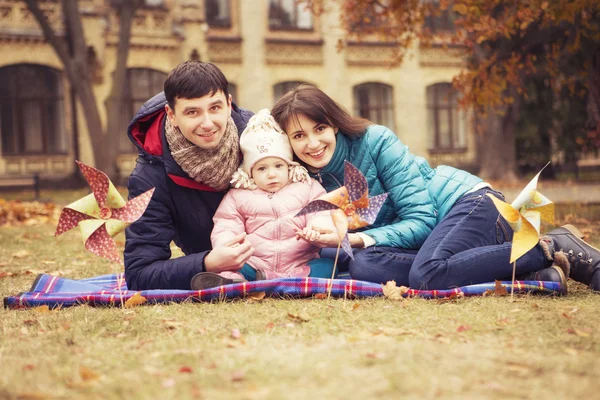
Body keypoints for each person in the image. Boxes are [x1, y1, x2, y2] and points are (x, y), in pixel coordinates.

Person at [271, 84, 600, 292]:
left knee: (425, 275)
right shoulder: (307, 180)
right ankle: (531, 272)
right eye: (299, 136)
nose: (313, 143)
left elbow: (421, 220)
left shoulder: (375, 141)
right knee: (363, 265)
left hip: (469, 205)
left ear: (334, 124)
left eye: (320, 128)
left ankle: (544, 244)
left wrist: (354, 238)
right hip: (432, 240)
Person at [124, 61, 255, 290]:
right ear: (171, 115)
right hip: (222, 268)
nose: (207, 123)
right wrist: (207, 262)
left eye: (215, 108)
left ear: (229, 104)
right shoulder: (149, 178)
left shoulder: (259, 137)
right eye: (192, 112)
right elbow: (139, 273)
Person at [190, 109, 335, 289]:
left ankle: (268, 279)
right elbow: (227, 223)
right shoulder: (238, 196)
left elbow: (321, 211)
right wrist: (228, 246)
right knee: (235, 267)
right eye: (262, 169)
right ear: (249, 172)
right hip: (255, 262)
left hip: (299, 261)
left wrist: (317, 228)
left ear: (290, 166)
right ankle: (231, 280)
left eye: (278, 165)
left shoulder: (306, 187)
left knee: (327, 266)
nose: (271, 174)